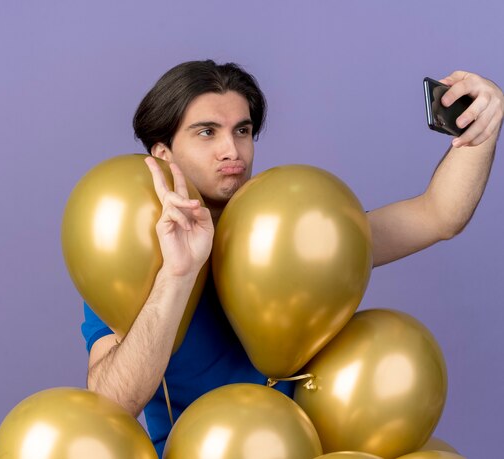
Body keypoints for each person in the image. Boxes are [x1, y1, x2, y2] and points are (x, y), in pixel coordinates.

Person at [81, 60, 503, 456]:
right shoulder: (128, 260)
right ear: (162, 155)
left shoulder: (293, 234)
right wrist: (177, 275)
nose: (232, 150)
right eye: (207, 132)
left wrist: (481, 129)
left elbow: (438, 215)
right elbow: (109, 408)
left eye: (242, 131)